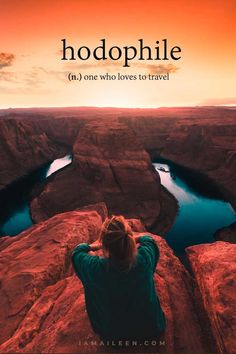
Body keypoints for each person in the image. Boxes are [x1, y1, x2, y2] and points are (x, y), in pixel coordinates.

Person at [71, 215, 166, 344]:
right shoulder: (144, 258)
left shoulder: (94, 268)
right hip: (150, 328)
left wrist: (96, 246)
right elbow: (148, 240)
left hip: (111, 333)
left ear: (106, 245)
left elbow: (77, 251)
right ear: (128, 238)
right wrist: (131, 238)